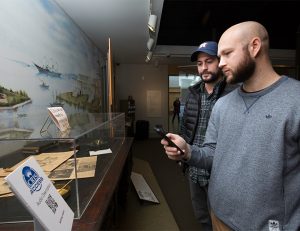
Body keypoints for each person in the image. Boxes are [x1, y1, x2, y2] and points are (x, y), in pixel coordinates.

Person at [161, 21, 300, 230]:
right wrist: (188, 151)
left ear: (254, 47)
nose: (222, 62)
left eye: (227, 53)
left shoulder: (295, 98)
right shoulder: (223, 105)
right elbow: (212, 152)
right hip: (219, 218)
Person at [180, 41, 236, 231]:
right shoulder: (193, 93)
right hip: (194, 169)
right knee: (202, 217)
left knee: (223, 221)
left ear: (220, 62)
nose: (204, 67)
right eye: (199, 63)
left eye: (209, 61)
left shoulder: (235, 93)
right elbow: (185, 126)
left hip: (220, 173)